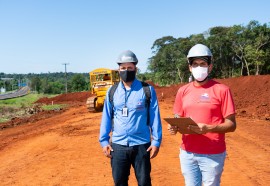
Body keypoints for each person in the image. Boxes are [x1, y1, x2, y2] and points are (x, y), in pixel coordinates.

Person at [168, 44, 236, 186]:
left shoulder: (222, 90)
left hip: (212, 154)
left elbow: (231, 125)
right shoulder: (183, 91)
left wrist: (208, 128)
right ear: (190, 67)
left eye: (203, 64)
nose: (199, 67)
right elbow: (177, 117)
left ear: (210, 66)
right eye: (195, 64)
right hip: (187, 153)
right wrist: (174, 126)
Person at [99, 50, 162, 186]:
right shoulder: (112, 91)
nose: (126, 70)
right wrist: (104, 141)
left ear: (136, 69)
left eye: (130, 68)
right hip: (118, 146)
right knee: (119, 182)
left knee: (144, 182)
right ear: (118, 69)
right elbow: (106, 117)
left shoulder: (147, 90)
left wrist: (156, 141)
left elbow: (155, 116)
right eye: (123, 68)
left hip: (142, 145)